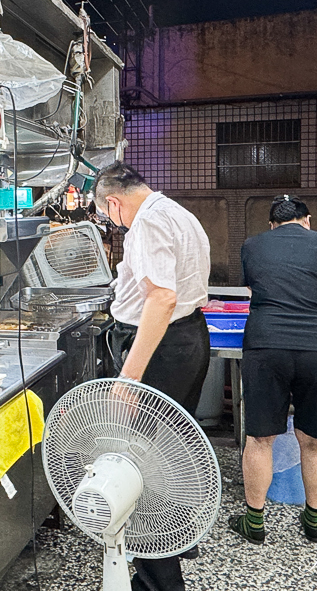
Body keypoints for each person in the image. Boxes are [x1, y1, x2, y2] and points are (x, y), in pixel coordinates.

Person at [95, 162, 211, 591]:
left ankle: (158, 579)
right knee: (174, 450)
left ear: (114, 202)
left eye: (111, 218)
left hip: (162, 346)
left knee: (140, 462)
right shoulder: (179, 213)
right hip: (189, 336)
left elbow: (161, 298)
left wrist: (128, 376)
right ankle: (178, 541)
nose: (114, 224)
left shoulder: (145, 224)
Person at [230, 195, 317, 545]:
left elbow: (257, 291)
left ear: (272, 225)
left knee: (260, 438)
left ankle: (254, 522)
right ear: (307, 220)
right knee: (315, 441)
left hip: (267, 344)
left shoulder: (252, 245)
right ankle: (314, 520)